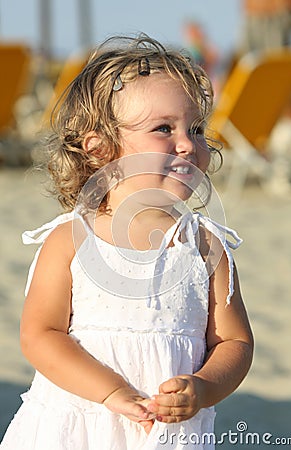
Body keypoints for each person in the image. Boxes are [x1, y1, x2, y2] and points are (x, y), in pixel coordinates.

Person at [0, 34, 253, 449]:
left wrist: (204, 388)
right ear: (100, 149)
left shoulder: (205, 246)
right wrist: (112, 392)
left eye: (196, 128)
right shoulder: (72, 239)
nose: (188, 144)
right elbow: (40, 334)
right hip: (78, 425)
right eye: (163, 129)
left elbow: (234, 342)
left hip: (167, 434)